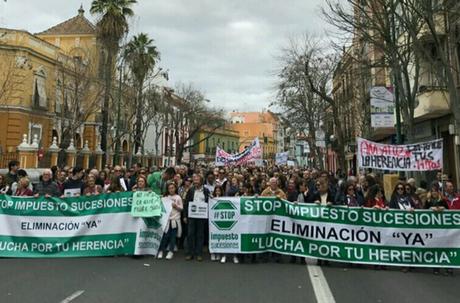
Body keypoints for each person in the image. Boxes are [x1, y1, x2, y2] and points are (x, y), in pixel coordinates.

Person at [184, 174, 210, 261]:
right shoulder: (191, 190)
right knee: (190, 234)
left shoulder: (206, 191)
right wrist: (185, 215)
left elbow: (209, 201)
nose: (195, 181)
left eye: (197, 180)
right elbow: (186, 203)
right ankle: (190, 253)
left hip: (201, 216)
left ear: (201, 181)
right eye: (194, 180)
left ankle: (199, 253)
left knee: (200, 235)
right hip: (192, 216)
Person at [425, 183, 450, 275]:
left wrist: (443, 208)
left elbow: (449, 211)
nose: (434, 193)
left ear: (438, 192)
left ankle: (448, 267)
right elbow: (423, 212)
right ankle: (436, 267)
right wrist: (431, 208)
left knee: (445, 247)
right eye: (432, 191)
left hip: (442, 228)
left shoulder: (442, 200)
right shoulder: (428, 201)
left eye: (435, 191)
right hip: (432, 228)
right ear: (430, 192)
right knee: (435, 247)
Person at [158, 182, 183, 260]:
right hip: (166, 220)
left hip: (174, 220)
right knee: (165, 236)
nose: (171, 190)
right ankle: (161, 250)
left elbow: (181, 209)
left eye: (172, 188)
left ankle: (171, 251)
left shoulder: (178, 197)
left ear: (175, 188)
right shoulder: (165, 197)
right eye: (169, 188)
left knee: (173, 237)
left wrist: (176, 206)